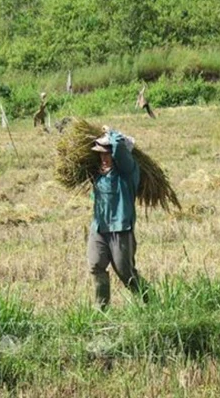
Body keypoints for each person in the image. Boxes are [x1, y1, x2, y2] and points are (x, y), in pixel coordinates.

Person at [87, 126, 148, 310]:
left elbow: (121, 150)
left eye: (107, 154)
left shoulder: (128, 172)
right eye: (101, 155)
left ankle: (148, 301)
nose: (104, 158)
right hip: (99, 228)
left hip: (120, 230)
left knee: (125, 272)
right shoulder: (99, 176)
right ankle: (101, 308)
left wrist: (112, 133)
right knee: (96, 266)